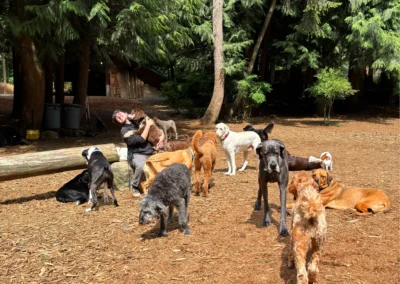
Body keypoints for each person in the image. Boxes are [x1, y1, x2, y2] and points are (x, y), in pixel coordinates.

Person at [112, 110, 165, 197]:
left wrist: (161, 140)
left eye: (120, 113)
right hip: (137, 154)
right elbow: (141, 139)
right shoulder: (124, 130)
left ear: (125, 113)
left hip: (151, 150)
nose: (119, 116)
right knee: (141, 166)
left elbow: (160, 130)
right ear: (119, 122)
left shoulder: (138, 120)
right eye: (117, 118)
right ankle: (135, 186)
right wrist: (147, 125)